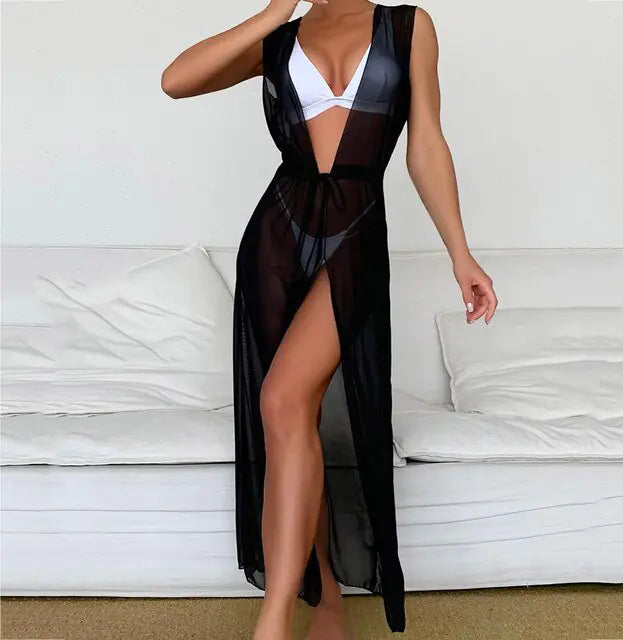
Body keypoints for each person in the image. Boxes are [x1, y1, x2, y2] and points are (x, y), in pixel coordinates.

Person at [161, 1, 498, 638]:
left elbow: (425, 144)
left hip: (355, 232)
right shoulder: (281, 36)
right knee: (295, 416)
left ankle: (272, 622)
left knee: (283, 400)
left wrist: (460, 253)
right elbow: (176, 80)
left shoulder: (406, 26)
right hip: (277, 235)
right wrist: (274, 11)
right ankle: (328, 600)